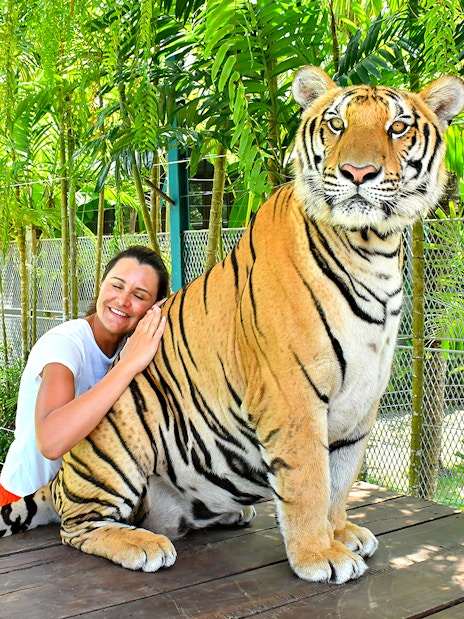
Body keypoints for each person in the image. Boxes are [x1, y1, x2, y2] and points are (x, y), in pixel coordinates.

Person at [0, 245, 169, 506]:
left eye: (139, 295)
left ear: (153, 309)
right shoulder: (65, 343)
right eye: (116, 285)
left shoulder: (132, 349)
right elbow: (51, 441)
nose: (123, 300)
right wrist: (128, 365)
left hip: (84, 504)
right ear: (101, 286)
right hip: (24, 504)